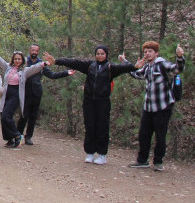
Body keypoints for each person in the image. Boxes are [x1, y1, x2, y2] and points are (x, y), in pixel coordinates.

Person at [52, 45, 141, 165]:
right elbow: (74, 62)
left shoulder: (110, 67)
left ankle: (102, 154)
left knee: (102, 127)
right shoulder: (90, 65)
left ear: (106, 55)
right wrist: (57, 61)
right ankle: (90, 152)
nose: (100, 56)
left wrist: (134, 66)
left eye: (102, 53)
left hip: (103, 101)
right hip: (89, 100)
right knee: (90, 126)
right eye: (98, 53)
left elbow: (123, 68)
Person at [127, 42, 185, 171]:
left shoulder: (162, 64)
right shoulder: (147, 67)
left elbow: (177, 69)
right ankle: (142, 160)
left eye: (150, 51)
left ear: (156, 53)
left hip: (163, 107)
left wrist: (180, 57)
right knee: (144, 135)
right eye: (146, 52)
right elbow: (136, 74)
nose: (147, 54)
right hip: (148, 107)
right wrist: (129, 64)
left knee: (160, 136)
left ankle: (158, 161)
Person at [0, 48, 53, 149]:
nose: (17, 61)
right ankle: (10, 140)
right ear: (13, 60)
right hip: (6, 93)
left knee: (6, 116)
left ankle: (17, 135)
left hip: (16, 94)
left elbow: (35, 67)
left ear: (22, 60)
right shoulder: (8, 67)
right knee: (3, 116)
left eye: (19, 59)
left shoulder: (25, 70)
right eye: (15, 59)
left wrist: (44, 63)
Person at [17, 43, 74, 145]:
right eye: (32, 50)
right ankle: (18, 135)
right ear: (29, 50)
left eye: (36, 50)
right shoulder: (24, 62)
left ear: (38, 52)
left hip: (36, 92)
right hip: (25, 92)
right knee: (23, 115)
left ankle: (28, 136)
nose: (34, 52)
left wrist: (66, 73)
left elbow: (52, 75)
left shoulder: (42, 63)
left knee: (33, 116)